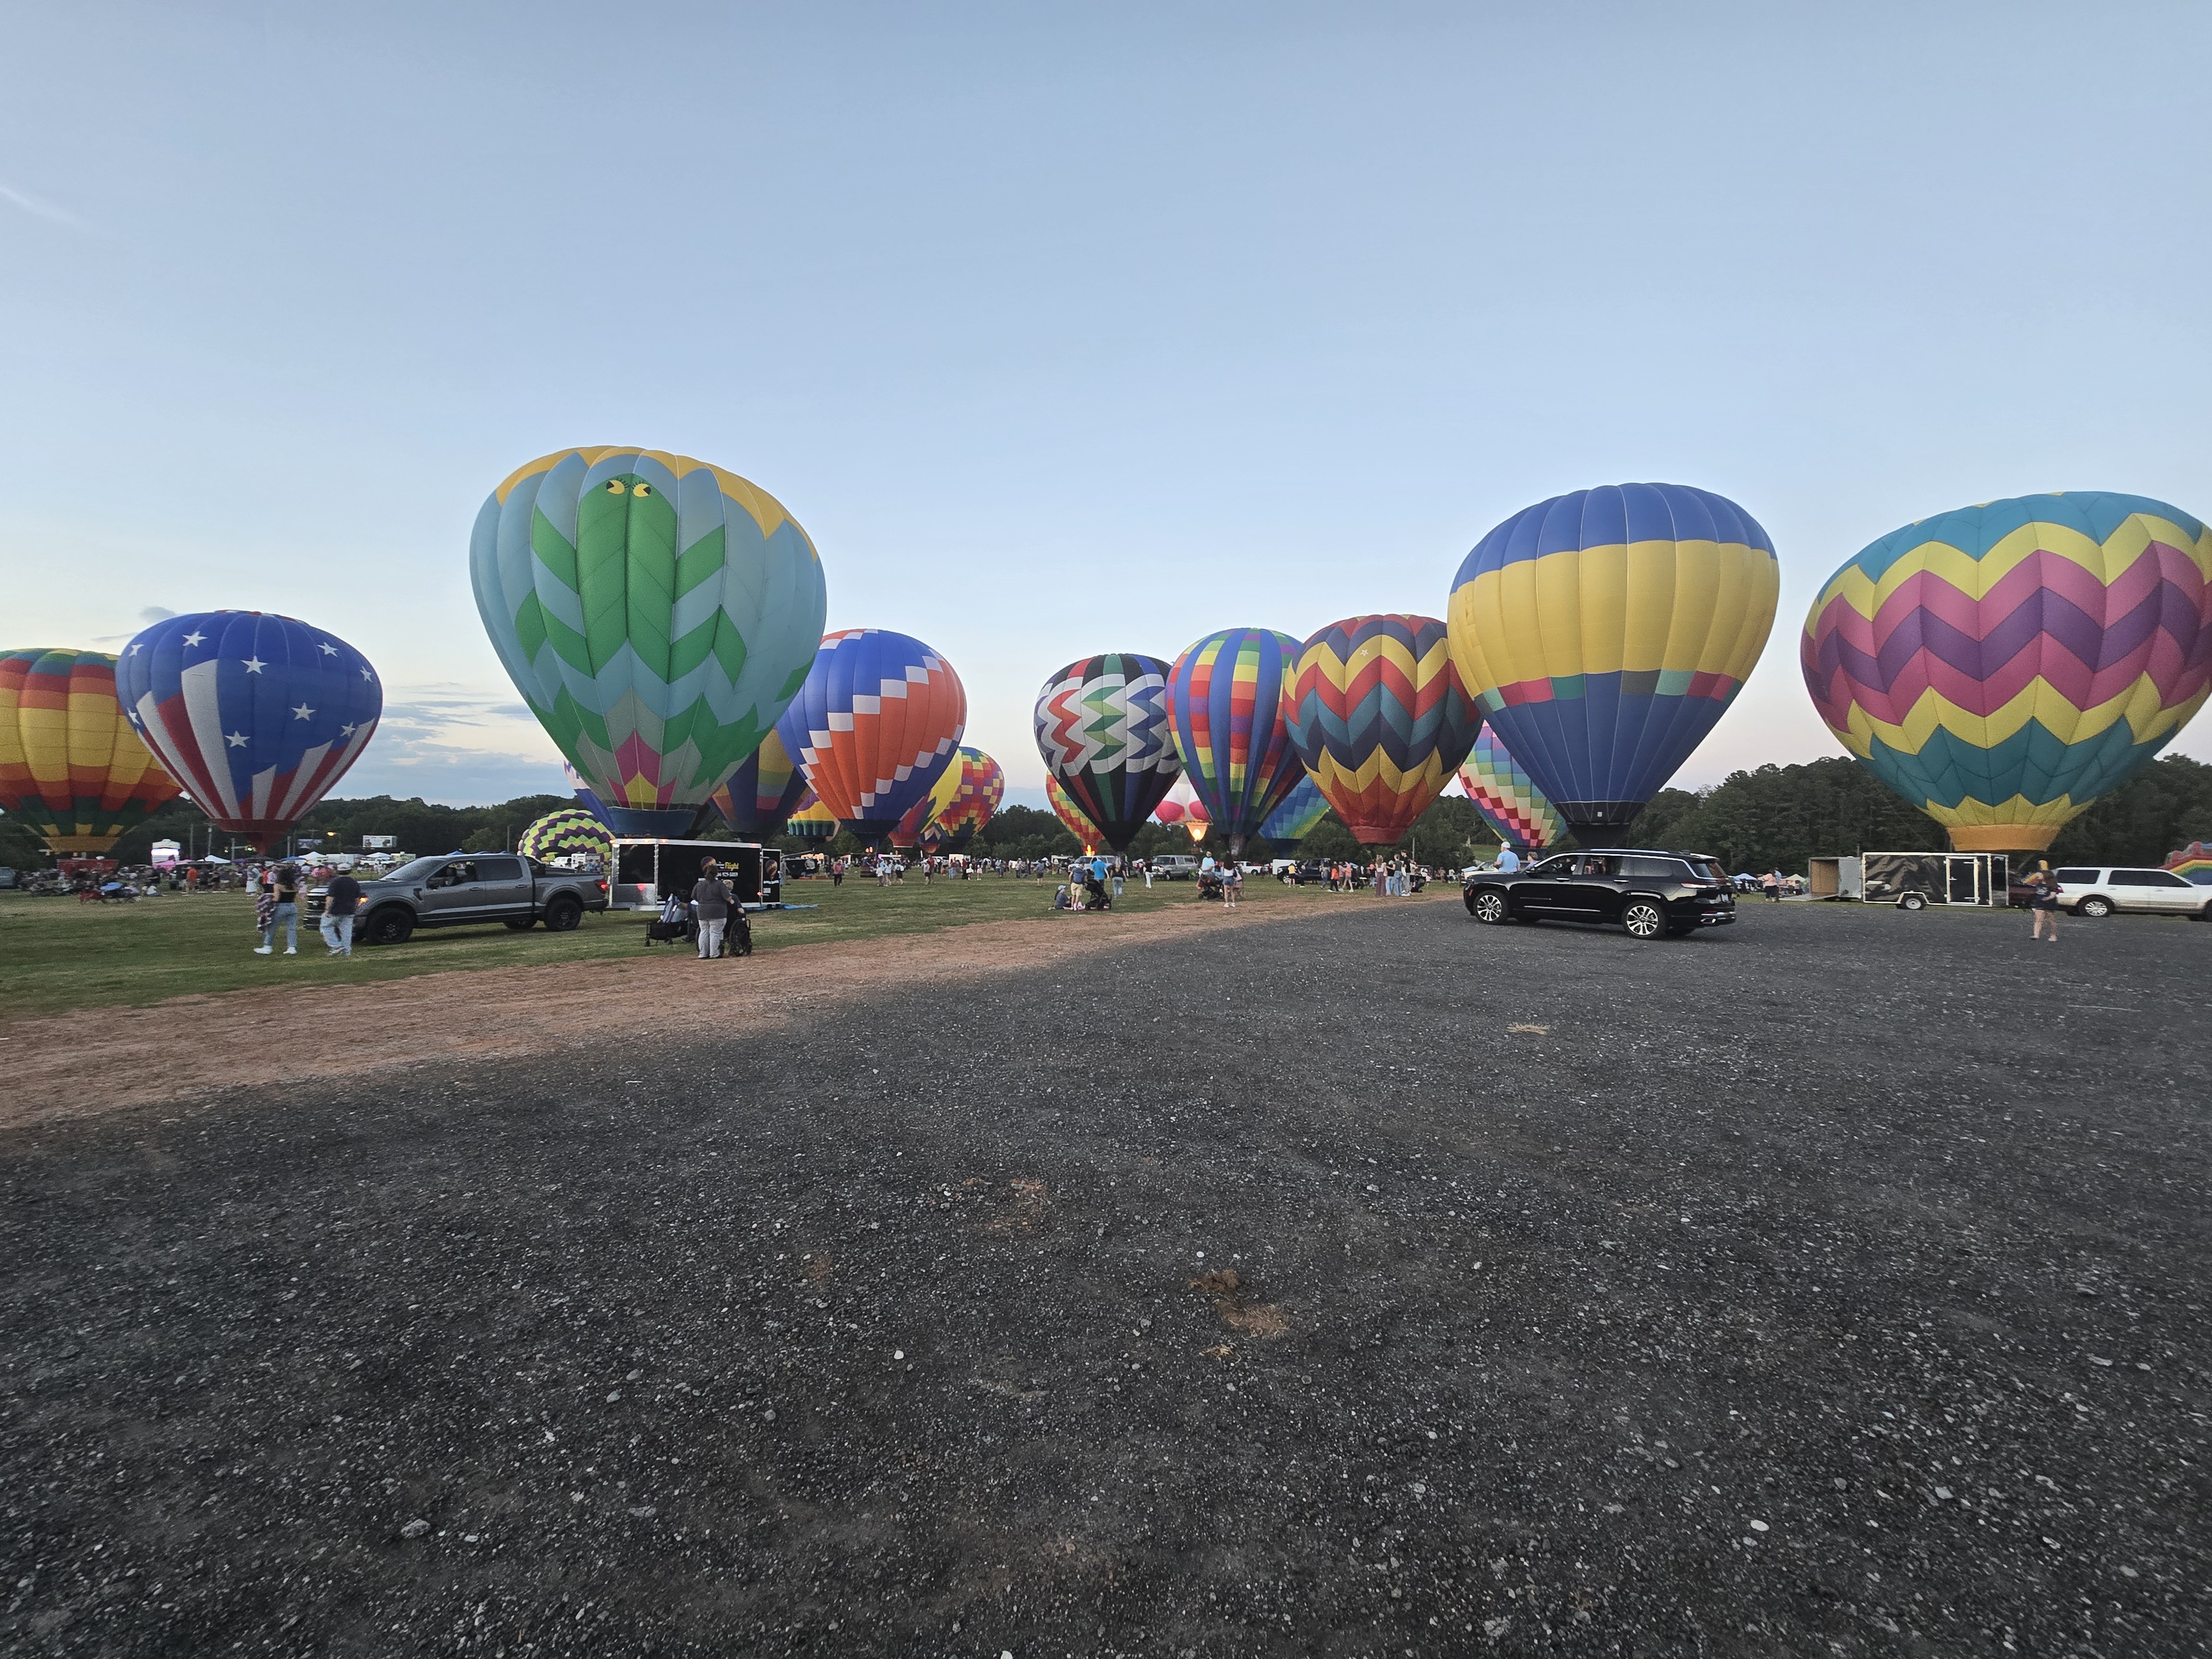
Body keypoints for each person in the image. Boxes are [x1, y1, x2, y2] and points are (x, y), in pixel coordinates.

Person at [255, 863, 301, 955]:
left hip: (281, 907)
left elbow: (276, 898)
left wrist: (267, 898)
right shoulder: (294, 886)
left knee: (272, 927)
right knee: (291, 929)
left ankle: (268, 947)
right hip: (292, 906)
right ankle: (292, 948)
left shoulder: (278, 886)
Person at [692, 865, 733, 959]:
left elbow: (694, 896)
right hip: (718, 911)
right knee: (715, 932)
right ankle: (714, 953)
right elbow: (728, 898)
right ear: (716, 874)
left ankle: (703, 953)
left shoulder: (699, 885)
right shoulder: (720, 884)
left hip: (702, 911)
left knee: (704, 932)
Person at [320, 867, 363, 957]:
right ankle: (346, 952)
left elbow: (330, 897)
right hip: (349, 910)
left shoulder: (335, 882)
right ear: (350, 871)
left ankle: (336, 946)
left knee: (326, 927)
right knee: (347, 932)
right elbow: (357, 899)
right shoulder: (354, 883)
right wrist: (355, 909)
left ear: (339, 871)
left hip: (335, 910)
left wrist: (327, 909)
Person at [2024, 861, 2062, 942]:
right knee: (2038, 919)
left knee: (2051, 920)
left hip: (2049, 903)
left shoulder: (2052, 885)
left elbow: (2053, 894)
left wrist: (2048, 898)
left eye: (2041, 875)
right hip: (2039, 902)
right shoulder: (2039, 884)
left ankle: (2053, 935)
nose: (2038, 876)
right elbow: (2027, 882)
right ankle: (2036, 935)